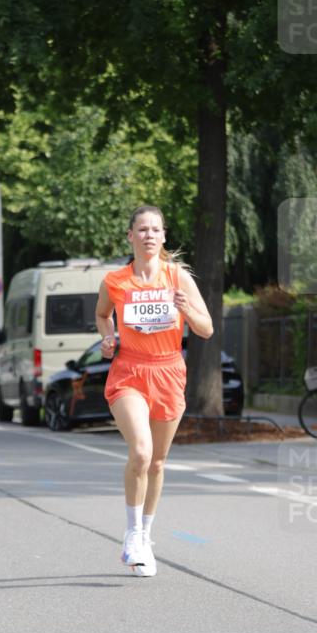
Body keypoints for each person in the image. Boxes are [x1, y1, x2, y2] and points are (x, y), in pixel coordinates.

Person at [95, 205, 213, 577]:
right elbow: (102, 315)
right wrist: (108, 337)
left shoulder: (178, 278)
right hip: (128, 371)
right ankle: (131, 535)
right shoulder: (115, 281)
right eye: (141, 229)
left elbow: (206, 328)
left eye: (155, 230)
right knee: (142, 453)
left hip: (168, 371)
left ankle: (146, 537)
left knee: (159, 462)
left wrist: (186, 311)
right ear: (130, 236)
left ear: (163, 237)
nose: (148, 235)